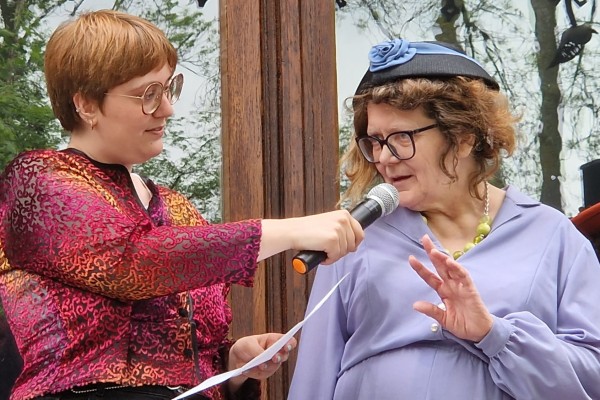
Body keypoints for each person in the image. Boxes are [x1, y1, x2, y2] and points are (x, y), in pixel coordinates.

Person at [0, 10, 364, 400]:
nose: (168, 109)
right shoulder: (37, 181)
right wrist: (290, 230)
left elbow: (195, 340)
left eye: (169, 88)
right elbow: (135, 264)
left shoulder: (177, 207)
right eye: (148, 95)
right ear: (86, 105)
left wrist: (232, 366)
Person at [288, 38, 600, 400]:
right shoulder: (353, 237)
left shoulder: (552, 235)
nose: (384, 158)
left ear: (463, 137)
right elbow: (314, 377)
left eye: (402, 137)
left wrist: (492, 334)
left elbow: (592, 376)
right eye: (374, 141)